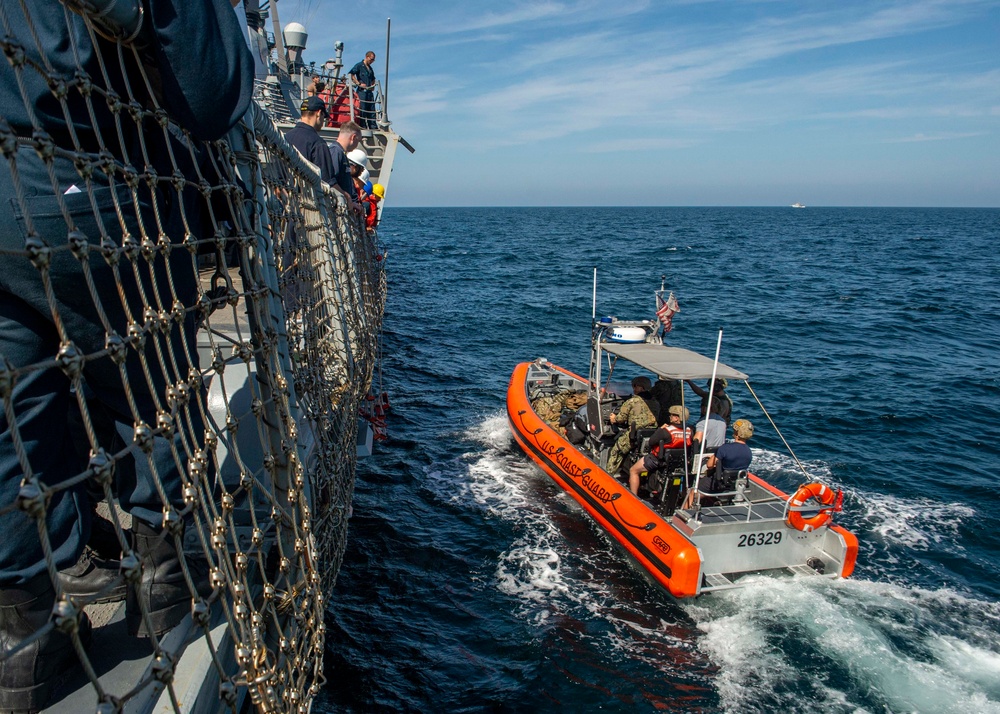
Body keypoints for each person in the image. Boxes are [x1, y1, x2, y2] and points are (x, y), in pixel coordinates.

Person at [0, 1, 252, 709]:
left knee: (14, 416)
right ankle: (170, 604)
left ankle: (21, 645)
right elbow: (217, 90)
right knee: (153, 402)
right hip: (88, 191)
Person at [685, 419, 754, 508]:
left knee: (693, 492)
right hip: (735, 485)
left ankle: (684, 514)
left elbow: (709, 465)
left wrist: (713, 457)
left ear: (736, 434)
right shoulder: (748, 452)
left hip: (718, 483)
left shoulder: (725, 448)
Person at [629, 405, 691, 495]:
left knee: (633, 470)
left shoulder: (666, 431)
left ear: (677, 418)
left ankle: (633, 496)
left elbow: (651, 441)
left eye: (672, 415)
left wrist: (660, 429)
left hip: (659, 461)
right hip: (677, 462)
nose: (670, 416)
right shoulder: (690, 431)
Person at [606, 376, 658, 475]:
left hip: (635, 436)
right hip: (651, 435)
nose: (633, 388)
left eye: (635, 386)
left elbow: (621, 419)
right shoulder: (655, 402)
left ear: (641, 388)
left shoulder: (632, 401)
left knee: (616, 451)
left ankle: (609, 474)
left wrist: (614, 418)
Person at [284, 96, 336, 183]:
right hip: (307, 195)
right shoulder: (318, 143)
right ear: (319, 113)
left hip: (286, 193)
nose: (323, 121)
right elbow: (327, 181)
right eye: (324, 116)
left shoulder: (286, 138)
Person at [329, 121, 364, 214]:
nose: (357, 145)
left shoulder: (340, 153)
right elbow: (331, 181)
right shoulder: (336, 152)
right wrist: (347, 197)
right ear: (353, 137)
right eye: (358, 141)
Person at [349, 51, 377, 129]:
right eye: (371, 59)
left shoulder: (370, 68)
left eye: (373, 60)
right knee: (362, 109)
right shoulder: (359, 66)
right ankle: (362, 126)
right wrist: (358, 83)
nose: (372, 61)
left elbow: (373, 78)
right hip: (362, 92)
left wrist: (372, 85)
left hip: (369, 92)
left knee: (371, 109)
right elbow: (351, 74)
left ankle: (373, 126)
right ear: (367, 57)